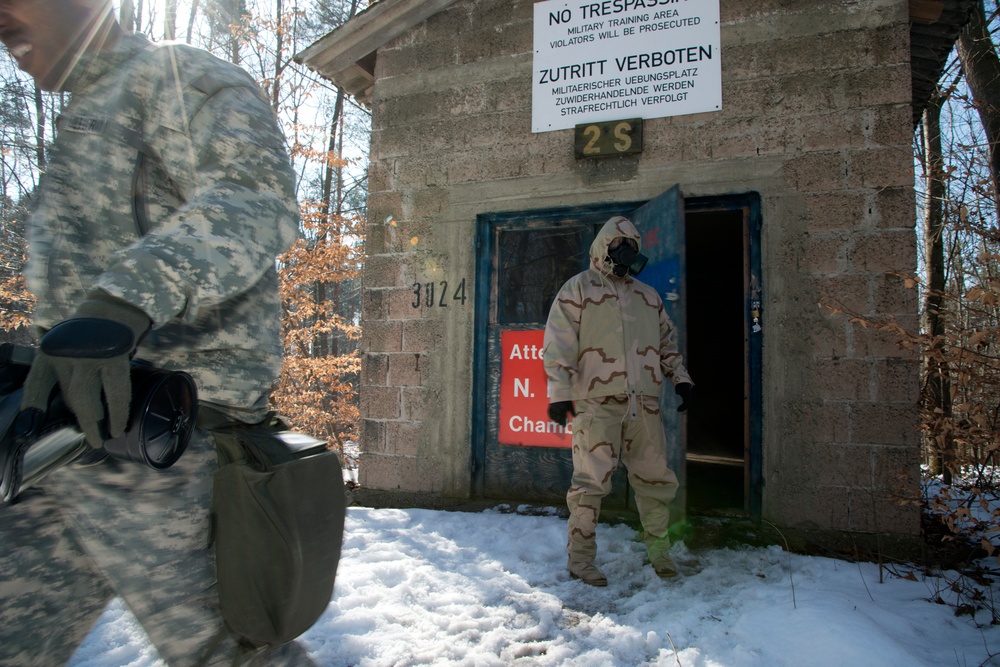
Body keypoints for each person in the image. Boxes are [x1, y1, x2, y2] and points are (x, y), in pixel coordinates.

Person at [0, 0, 303, 664]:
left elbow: (260, 197)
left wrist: (124, 299)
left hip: (174, 453)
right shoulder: (84, 114)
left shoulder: (173, 76)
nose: (3, 24)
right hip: (61, 453)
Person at [543, 215, 694, 587]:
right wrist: (560, 393)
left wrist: (682, 379)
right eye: (617, 244)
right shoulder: (577, 289)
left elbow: (666, 344)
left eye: (632, 246)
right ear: (603, 245)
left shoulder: (648, 296)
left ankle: (659, 551)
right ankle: (580, 561)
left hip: (644, 405)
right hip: (596, 405)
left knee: (655, 480)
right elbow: (558, 344)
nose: (625, 252)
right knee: (589, 485)